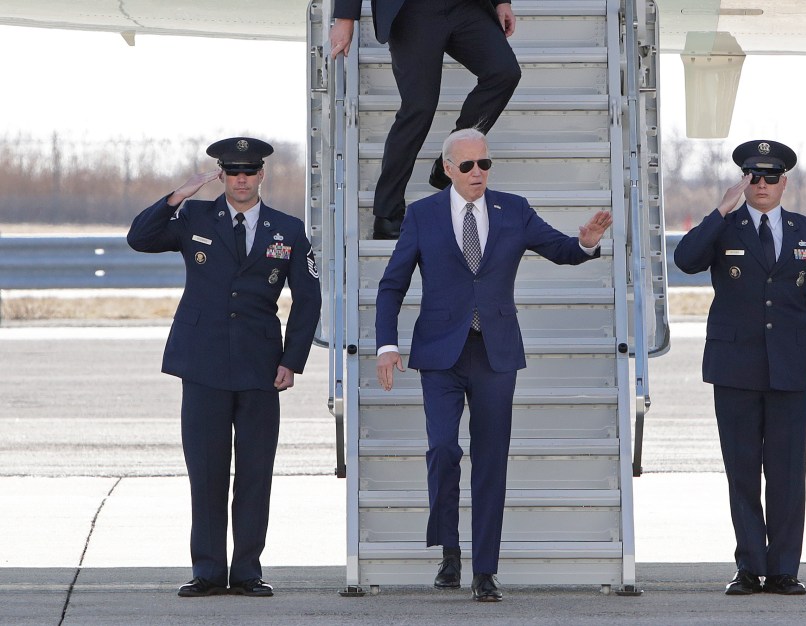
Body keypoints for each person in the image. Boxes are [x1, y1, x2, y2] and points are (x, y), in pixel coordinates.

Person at [375, 128, 612, 601]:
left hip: (494, 351)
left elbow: (561, 249)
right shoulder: (423, 215)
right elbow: (391, 284)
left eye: (484, 163)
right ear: (447, 170)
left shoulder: (514, 209)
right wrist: (387, 345)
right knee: (443, 451)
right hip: (440, 352)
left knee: (490, 460)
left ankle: (484, 569)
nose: (478, 172)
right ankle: (449, 549)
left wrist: (585, 243)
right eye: (467, 166)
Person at [127, 137, 322, 598]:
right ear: (220, 175)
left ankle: (248, 571)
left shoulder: (287, 229)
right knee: (208, 472)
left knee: (255, 473)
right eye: (232, 172)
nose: (240, 179)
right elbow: (139, 237)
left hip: (260, 367)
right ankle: (209, 571)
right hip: (203, 363)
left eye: (248, 172)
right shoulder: (194, 218)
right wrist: (181, 193)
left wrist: (291, 361)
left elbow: (308, 301)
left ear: (261, 176)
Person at [673, 139, 806, 596]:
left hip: (791, 367)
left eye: (770, 177)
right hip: (735, 368)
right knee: (742, 470)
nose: (761, 185)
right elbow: (684, 261)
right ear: (743, 181)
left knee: (786, 472)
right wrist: (720, 211)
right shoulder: (725, 227)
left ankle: (784, 569)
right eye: (753, 177)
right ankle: (749, 566)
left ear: (785, 182)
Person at [329, 0, 522, 240]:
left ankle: (450, 162)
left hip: (467, 6)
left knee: (504, 72)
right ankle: (388, 212)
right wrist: (345, 17)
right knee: (418, 107)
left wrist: (501, 2)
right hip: (412, 9)